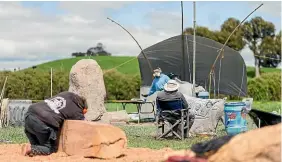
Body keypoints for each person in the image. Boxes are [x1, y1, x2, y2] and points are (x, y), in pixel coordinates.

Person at [21, 91, 88, 157]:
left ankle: (32, 148)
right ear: (84, 110)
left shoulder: (67, 94)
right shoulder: (78, 112)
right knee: (51, 149)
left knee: (39, 146)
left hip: (29, 116)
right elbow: (84, 124)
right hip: (41, 123)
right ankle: (30, 149)